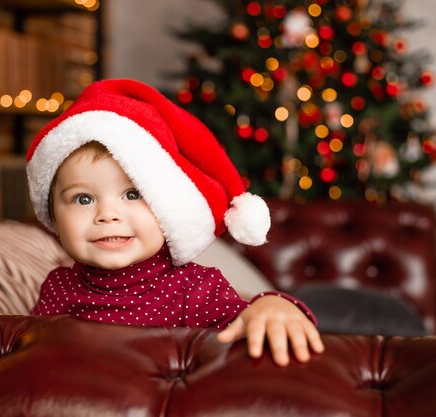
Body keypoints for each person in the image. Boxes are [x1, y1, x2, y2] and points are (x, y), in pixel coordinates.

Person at [27, 79, 324, 366]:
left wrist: (273, 306)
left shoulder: (195, 289)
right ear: (53, 215)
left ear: (167, 207)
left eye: (132, 194)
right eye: (83, 199)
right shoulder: (58, 287)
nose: (107, 214)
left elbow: (245, 324)